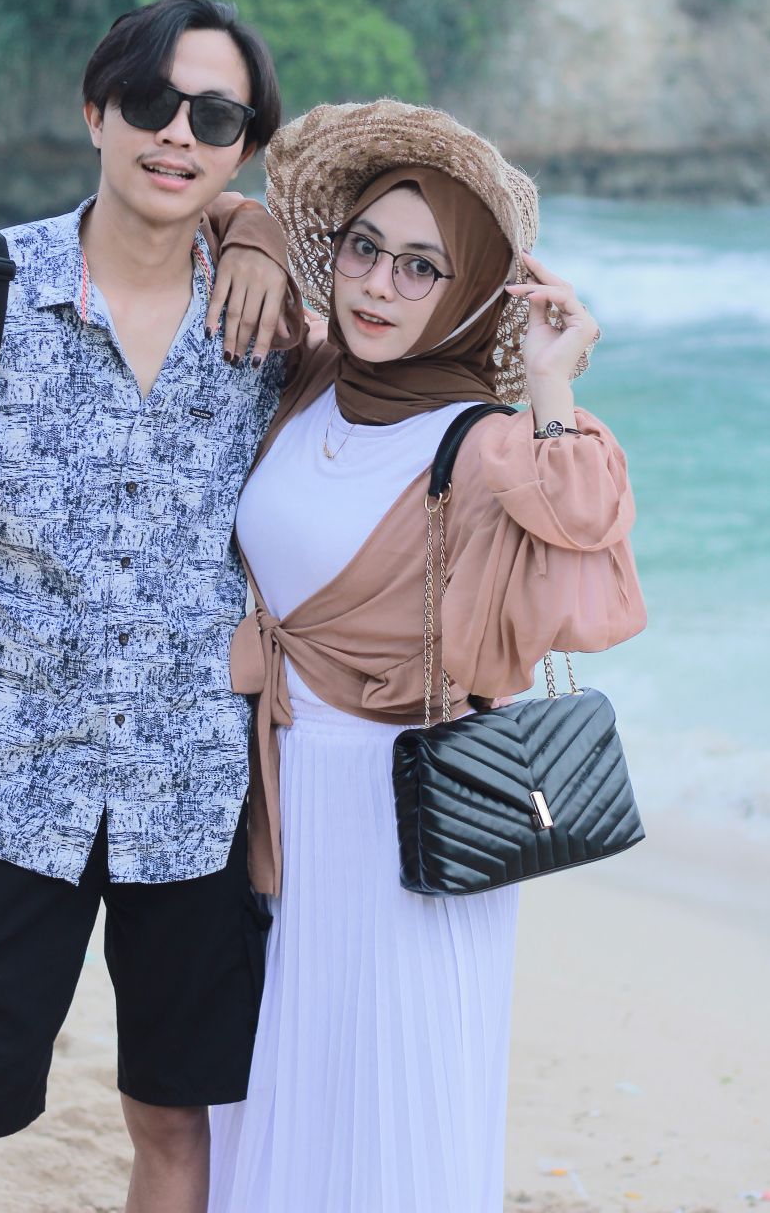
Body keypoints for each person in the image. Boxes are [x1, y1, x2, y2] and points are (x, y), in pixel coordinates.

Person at [0, 0, 305, 1213]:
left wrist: (260, 234)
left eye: (215, 117)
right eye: (152, 102)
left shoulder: (267, 323)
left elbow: (439, 300)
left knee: (177, 1120)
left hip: (193, 797)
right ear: (97, 111)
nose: (178, 134)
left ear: (243, 146)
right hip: (1, 786)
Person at [208, 100, 647, 1213]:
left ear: (470, 291)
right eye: (362, 248)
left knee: (394, 1094)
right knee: (276, 1084)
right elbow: (195, 209)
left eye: (420, 267)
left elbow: (586, 518)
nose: (376, 286)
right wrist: (257, 235)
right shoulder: (311, 376)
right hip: (276, 794)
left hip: (408, 807)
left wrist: (551, 379)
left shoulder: (486, 438)